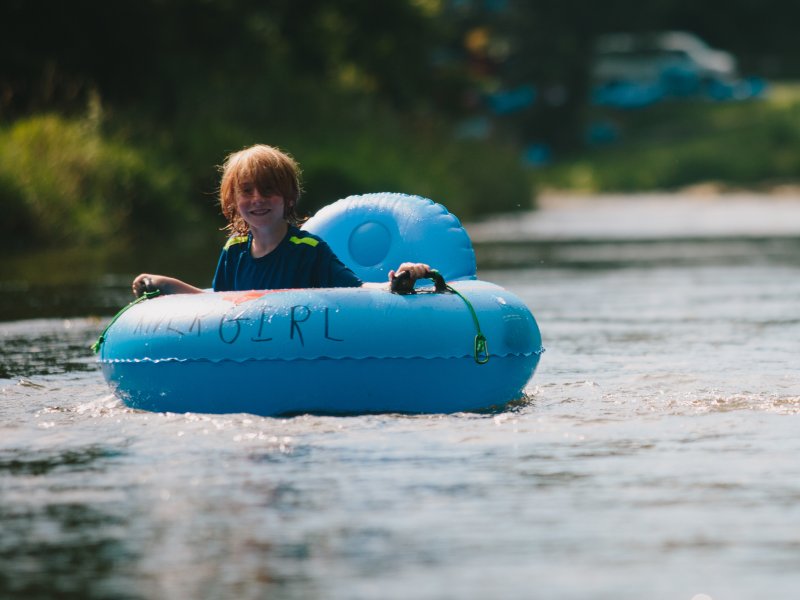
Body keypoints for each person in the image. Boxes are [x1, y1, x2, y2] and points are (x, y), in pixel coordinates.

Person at [132, 144, 430, 297]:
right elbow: (214, 303)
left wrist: (397, 282)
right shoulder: (233, 251)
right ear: (232, 202)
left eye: (269, 190)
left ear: (288, 198)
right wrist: (166, 285)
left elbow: (358, 291)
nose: (258, 199)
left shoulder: (309, 250)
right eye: (246, 191)